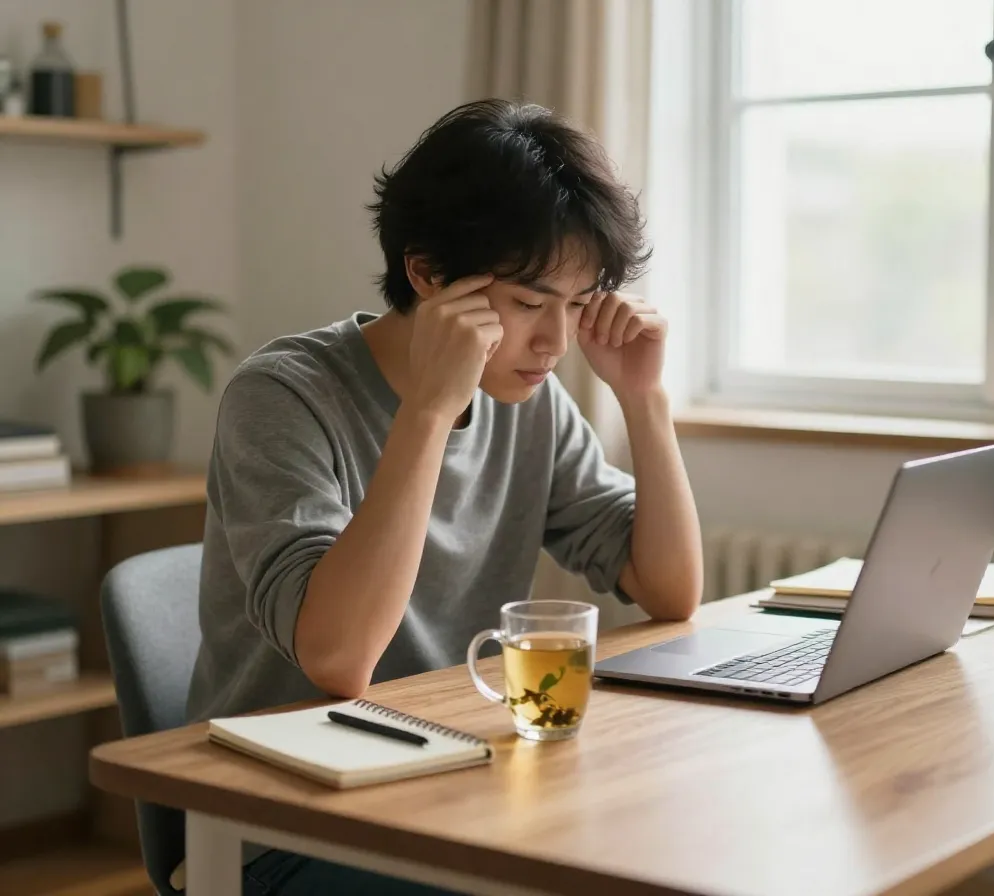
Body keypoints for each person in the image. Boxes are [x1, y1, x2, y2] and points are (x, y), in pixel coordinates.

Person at [184, 98, 704, 895]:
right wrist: (428, 410)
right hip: (283, 824)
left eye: (575, 305)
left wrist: (645, 403)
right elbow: (339, 658)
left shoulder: (529, 401)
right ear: (428, 275)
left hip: (462, 786)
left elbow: (669, 591)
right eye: (530, 303)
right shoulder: (283, 395)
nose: (556, 344)